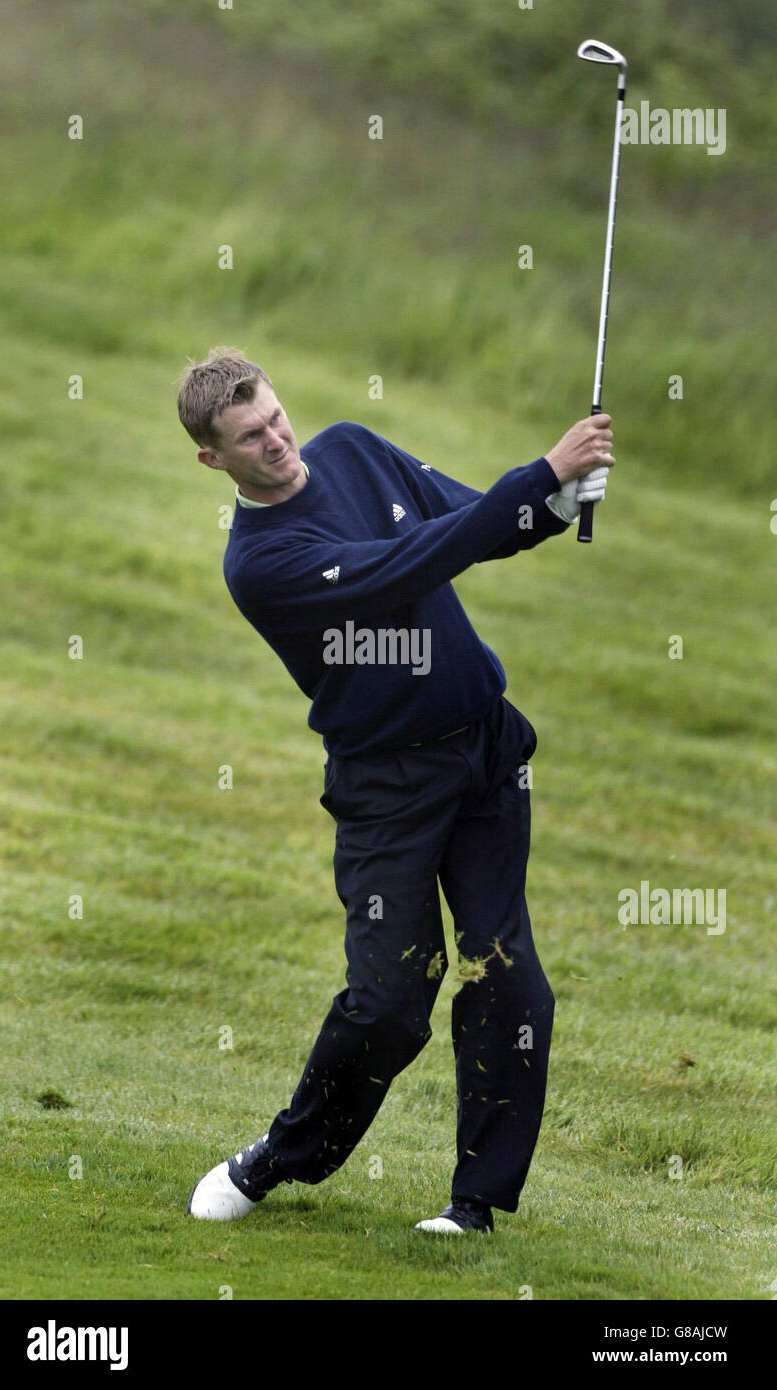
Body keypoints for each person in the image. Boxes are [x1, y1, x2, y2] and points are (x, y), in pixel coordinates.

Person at [176, 347, 613, 1234]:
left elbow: (469, 518)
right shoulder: (260, 563)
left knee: (509, 980)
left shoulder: (351, 449)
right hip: (388, 785)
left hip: (485, 751)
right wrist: (541, 474)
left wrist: (556, 503)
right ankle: (277, 1158)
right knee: (387, 1003)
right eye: (249, 438)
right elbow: (409, 564)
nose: (277, 441)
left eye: (275, 417)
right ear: (212, 460)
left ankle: (474, 1206)